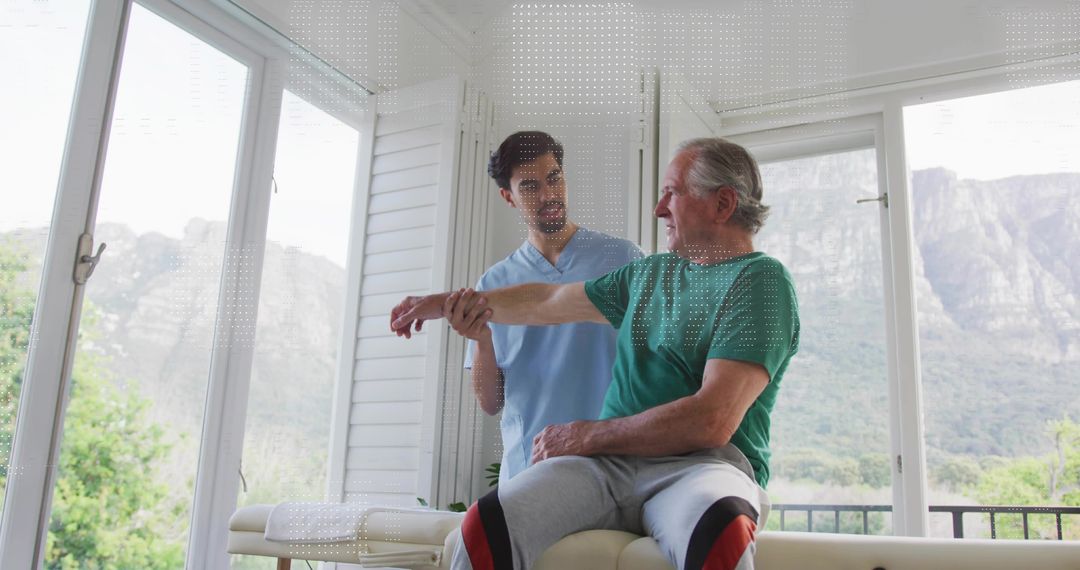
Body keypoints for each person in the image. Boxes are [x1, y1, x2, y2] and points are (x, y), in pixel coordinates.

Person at [390, 137, 799, 570]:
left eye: (672, 193)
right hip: (605, 469)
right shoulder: (648, 274)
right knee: (483, 528)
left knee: (720, 532)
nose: (659, 209)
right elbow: (548, 301)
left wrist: (587, 436)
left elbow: (712, 419)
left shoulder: (761, 281)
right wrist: (442, 303)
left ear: (723, 204)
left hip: (699, 468)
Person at [456, 131, 642, 483]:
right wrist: (481, 340)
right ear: (508, 197)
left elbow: (656, 364)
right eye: (530, 187)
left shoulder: (622, 259)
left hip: (612, 470)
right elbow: (490, 403)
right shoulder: (493, 284)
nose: (548, 195)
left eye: (554, 178)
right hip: (527, 472)